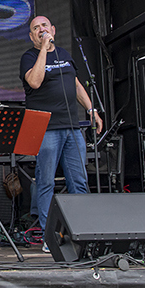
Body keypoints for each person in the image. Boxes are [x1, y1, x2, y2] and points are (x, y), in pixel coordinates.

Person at [20, 16, 103, 253]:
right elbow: (34, 82)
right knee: (45, 182)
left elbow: (75, 84)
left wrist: (91, 109)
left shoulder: (65, 54)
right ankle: (50, 236)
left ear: (53, 29)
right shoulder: (29, 57)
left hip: (72, 127)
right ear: (31, 36)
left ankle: (81, 232)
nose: (41, 30)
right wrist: (43, 50)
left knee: (79, 180)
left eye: (44, 26)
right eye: (36, 28)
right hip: (46, 129)